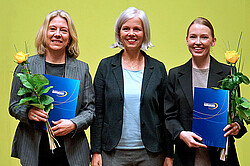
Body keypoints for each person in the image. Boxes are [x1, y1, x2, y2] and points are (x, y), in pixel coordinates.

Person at [9, 10, 95, 166]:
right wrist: (28, 113)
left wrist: (74, 124)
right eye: (52, 29)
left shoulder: (82, 69)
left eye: (64, 30)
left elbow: (90, 109)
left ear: (70, 37)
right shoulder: (27, 67)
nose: (57, 34)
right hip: (34, 148)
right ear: (44, 33)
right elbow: (14, 105)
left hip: (72, 151)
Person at [90, 7, 173, 166]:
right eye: (126, 28)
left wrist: (170, 154)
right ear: (119, 32)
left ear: (144, 33)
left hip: (151, 153)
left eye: (137, 29)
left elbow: (166, 114)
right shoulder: (105, 66)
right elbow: (98, 112)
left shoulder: (158, 69)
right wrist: (95, 151)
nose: (131, 33)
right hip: (112, 153)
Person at [164, 17, 247, 166]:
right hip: (186, 158)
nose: (198, 42)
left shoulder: (228, 73)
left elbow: (237, 115)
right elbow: (169, 117)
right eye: (193, 37)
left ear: (213, 41)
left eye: (204, 37)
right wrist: (182, 134)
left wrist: (236, 126)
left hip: (221, 159)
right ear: (187, 40)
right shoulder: (175, 75)